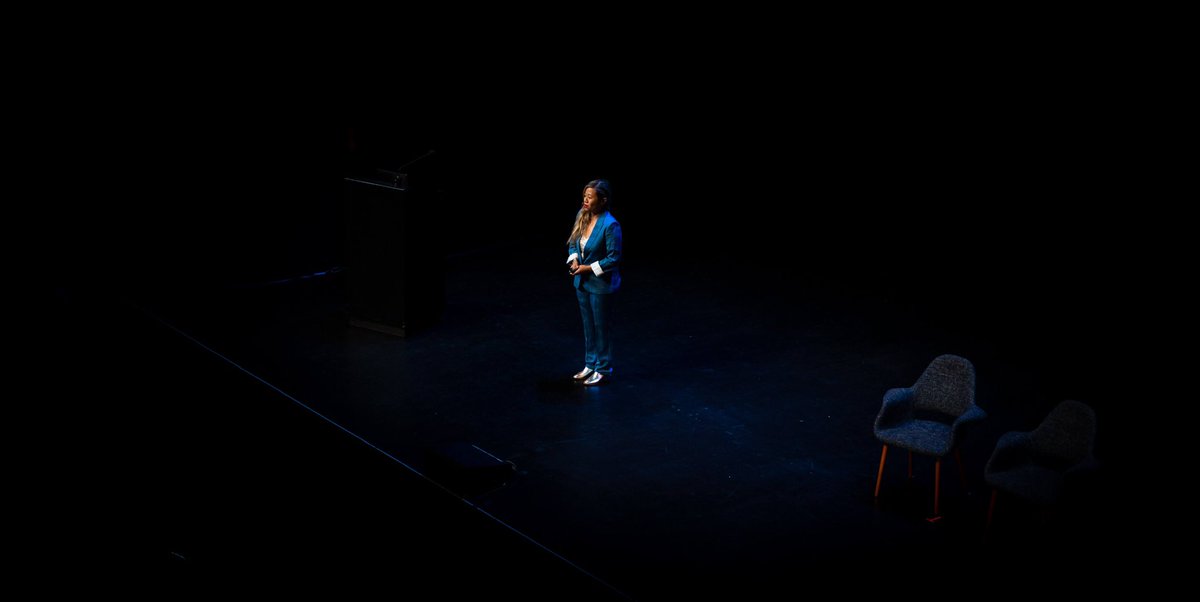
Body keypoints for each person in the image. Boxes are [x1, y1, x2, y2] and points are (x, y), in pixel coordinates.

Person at [566, 179, 622, 386]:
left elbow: (613, 258)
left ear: (603, 200)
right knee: (588, 327)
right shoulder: (582, 215)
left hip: (601, 285)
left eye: (590, 197)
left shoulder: (610, 224)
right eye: (584, 196)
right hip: (582, 283)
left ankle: (603, 368)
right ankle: (590, 364)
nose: (586, 200)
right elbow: (574, 243)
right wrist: (573, 260)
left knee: (601, 327)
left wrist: (587, 268)